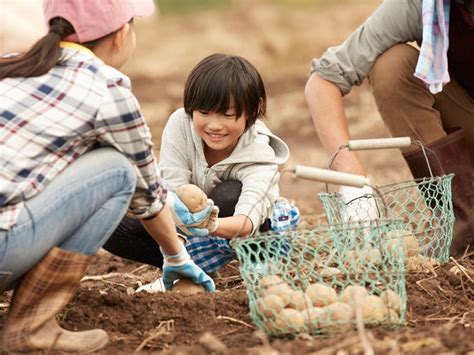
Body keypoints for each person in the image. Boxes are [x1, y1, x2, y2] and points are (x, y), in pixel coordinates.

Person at [0, 0, 215, 352]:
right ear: (120, 34)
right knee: (116, 171)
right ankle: (30, 325)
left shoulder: (15, 67)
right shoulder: (108, 89)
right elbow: (148, 194)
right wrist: (176, 256)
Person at [103, 53, 297, 281]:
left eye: (227, 115)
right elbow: (172, 189)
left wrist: (209, 224)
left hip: (243, 233)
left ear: (254, 109)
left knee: (228, 194)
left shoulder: (260, 154)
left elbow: (246, 222)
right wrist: (179, 240)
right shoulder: (180, 125)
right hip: (187, 228)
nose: (214, 126)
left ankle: (257, 263)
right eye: (204, 113)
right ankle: (188, 265)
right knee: (110, 222)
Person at [304, 0, 473, 256]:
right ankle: (463, 220)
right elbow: (323, 81)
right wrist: (353, 182)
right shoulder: (422, 4)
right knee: (393, 66)